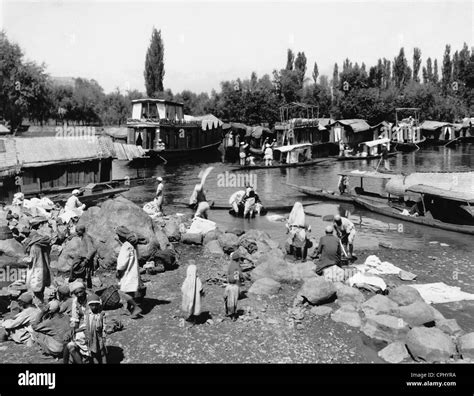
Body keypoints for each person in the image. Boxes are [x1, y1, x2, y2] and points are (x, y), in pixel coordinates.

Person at [115, 226, 145, 319]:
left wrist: (119, 271)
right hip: (132, 271)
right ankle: (129, 309)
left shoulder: (126, 246)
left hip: (126, 272)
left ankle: (136, 307)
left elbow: (122, 262)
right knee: (130, 291)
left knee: (122, 292)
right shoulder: (131, 245)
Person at [65, 280, 89, 364]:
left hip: (91, 326)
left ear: (84, 290)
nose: (79, 294)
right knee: (70, 344)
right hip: (82, 326)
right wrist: (72, 329)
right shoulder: (75, 301)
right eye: (77, 293)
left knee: (81, 339)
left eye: (81, 292)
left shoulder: (92, 299)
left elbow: (94, 319)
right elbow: (74, 318)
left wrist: (78, 330)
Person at [23, 232, 52, 303]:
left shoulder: (34, 247)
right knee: (41, 289)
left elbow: (31, 260)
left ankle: (37, 305)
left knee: (35, 290)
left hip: (37, 269)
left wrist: (23, 259)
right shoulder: (43, 245)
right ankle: (41, 302)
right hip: (44, 268)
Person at [224, 252, 250, 321]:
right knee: (233, 300)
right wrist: (242, 280)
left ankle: (227, 312)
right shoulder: (236, 266)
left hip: (228, 284)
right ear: (237, 259)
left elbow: (228, 274)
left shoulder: (230, 265)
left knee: (227, 299)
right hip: (234, 285)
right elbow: (237, 276)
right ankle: (233, 316)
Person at [70, 225, 97, 289]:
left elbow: (92, 250)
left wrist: (86, 260)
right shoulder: (83, 237)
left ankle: (87, 290)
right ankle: (87, 289)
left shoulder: (87, 238)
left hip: (85, 260)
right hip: (83, 259)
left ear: (81, 231)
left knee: (85, 276)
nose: (77, 233)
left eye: (77, 231)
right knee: (86, 277)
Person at [85, 294, 107, 364]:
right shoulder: (87, 314)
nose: (94, 307)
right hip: (91, 335)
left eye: (96, 305)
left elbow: (104, 325)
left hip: (99, 335)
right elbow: (86, 324)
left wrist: (104, 335)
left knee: (102, 350)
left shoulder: (101, 314)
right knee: (92, 350)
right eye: (92, 305)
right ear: (89, 305)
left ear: (98, 305)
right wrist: (86, 334)